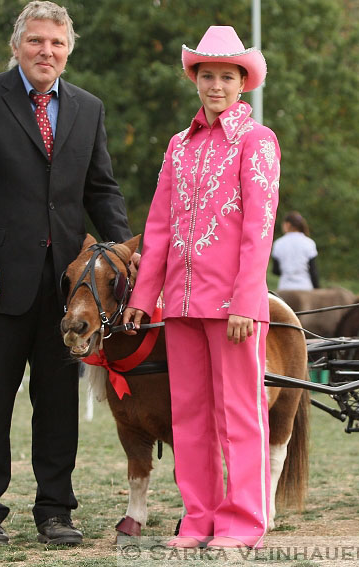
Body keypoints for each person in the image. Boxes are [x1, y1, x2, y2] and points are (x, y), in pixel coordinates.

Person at [0, 1, 132, 546]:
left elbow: (101, 189)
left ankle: (55, 511)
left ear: (68, 50)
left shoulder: (87, 108)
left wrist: (121, 251)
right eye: (36, 41)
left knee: (57, 404)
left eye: (56, 42)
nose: (46, 51)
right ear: (17, 46)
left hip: (67, 291)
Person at [123, 25, 279, 550]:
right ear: (195, 79)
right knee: (189, 416)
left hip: (233, 304)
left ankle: (242, 524)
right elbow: (159, 227)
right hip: (181, 304)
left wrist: (246, 300)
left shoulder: (257, 142)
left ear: (243, 83)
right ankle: (199, 520)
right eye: (207, 75)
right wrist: (145, 299)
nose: (216, 85)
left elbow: (260, 227)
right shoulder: (178, 146)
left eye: (227, 77)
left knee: (239, 413)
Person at [271, 211, 319, 290]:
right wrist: (317, 289)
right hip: (305, 289)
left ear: (288, 224)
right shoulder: (309, 243)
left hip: (285, 288)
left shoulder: (278, 243)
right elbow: (313, 271)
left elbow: (275, 270)